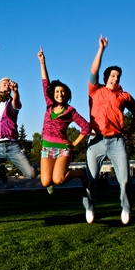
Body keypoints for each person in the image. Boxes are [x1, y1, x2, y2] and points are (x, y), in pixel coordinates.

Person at [84, 35, 135, 225]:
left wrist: (130, 132)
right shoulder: (94, 90)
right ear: (105, 77)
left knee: (124, 179)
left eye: (118, 76)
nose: (116, 78)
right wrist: (101, 49)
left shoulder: (125, 96)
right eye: (113, 75)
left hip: (117, 141)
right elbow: (94, 69)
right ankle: (90, 207)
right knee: (91, 179)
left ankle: (126, 208)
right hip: (96, 141)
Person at [37, 46, 90, 194]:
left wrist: (74, 143)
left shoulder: (70, 111)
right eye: (57, 91)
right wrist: (42, 62)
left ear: (66, 95)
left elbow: (86, 127)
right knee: (45, 182)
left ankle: (79, 173)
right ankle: (50, 181)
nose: (60, 94)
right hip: (46, 148)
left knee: (59, 180)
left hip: (62, 149)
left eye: (63, 92)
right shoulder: (49, 105)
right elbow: (45, 82)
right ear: (53, 94)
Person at [0, 60, 37, 184]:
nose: (6, 86)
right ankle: (0, 170)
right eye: (4, 84)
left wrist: (15, 91)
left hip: (13, 146)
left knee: (31, 174)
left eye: (8, 85)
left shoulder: (12, 102)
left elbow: (17, 103)